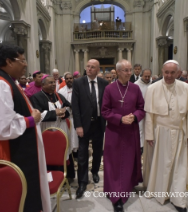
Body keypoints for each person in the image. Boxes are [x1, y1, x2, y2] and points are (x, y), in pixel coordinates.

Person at [0, 44, 51, 212]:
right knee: (20, 199)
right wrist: (31, 119)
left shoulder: (7, 81)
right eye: (22, 60)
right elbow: (3, 127)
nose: (26, 64)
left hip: (23, 149)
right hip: (14, 152)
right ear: (8, 62)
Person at [143, 60, 188, 212]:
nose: (169, 75)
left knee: (179, 167)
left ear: (178, 73)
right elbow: (149, 115)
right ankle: (161, 193)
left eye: (172, 72)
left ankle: (178, 198)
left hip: (179, 132)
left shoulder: (185, 88)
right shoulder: (153, 88)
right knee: (161, 165)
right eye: (166, 72)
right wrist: (149, 135)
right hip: (159, 133)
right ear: (162, 71)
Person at [101, 59, 145, 212]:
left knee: (128, 161)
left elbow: (141, 108)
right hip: (114, 131)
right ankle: (116, 196)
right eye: (125, 70)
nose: (129, 73)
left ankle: (125, 187)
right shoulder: (109, 89)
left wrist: (134, 116)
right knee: (113, 163)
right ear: (118, 71)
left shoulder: (135, 88)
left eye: (130, 70)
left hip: (130, 132)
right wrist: (120, 119)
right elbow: (104, 111)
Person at [71, 59, 109, 198]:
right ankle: (82, 181)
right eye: (88, 66)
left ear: (98, 69)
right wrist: (78, 125)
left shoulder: (104, 83)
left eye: (93, 67)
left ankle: (94, 172)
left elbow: (106, 103)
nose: (89, 69)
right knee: (82, 154)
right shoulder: (78, 83)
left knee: (98, 151)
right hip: (84, 124)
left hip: (99, 123)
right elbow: (75, 106)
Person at [58, 73, 79, 153]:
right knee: (69, 134)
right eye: (67, 79)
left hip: (77, 116)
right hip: (67, 117)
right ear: (65, 80)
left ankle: (77, 151)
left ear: (73, 79)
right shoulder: (61, 91)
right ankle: (70, 151)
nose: (69, 80)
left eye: (71, 78)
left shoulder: (78, 89)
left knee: (77, 134)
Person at [134, 68, 152, 150]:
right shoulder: (136, 85)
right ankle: (140, 146)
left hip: (151, 110)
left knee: (149, 127)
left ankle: (148, 144)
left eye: (149, 76)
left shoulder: (153, 84)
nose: (147, 78)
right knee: (140, 128)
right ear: (142, 75)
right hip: (140, 109)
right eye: (145, 76)